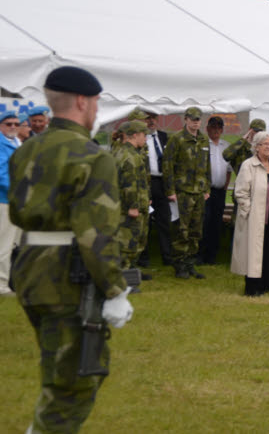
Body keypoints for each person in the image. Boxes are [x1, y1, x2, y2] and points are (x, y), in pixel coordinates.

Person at [10, 66, 133, 434]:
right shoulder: (93, 156)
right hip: (67, 277)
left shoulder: (27, 149)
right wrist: (114, 289)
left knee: (60, 370)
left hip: (30, 270)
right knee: (76, 380)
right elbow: (96, 234)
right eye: (96, 102)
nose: (96, 109)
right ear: (83, 101)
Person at [231, 131, 269, 296]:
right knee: (254, 253)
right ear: (256, 147)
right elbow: (241, 192)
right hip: (254, 217)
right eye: (265, 144)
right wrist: (248, 211)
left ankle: (267, 286)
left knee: (267, 252)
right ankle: (253, 289)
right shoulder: (248, 165)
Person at [163, 107, 211, 279]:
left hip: (199, 191)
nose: (196, 122)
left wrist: (207, 187)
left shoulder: (204, 139)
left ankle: (190, 264)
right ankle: (179, 264)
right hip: (182, 191)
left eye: (198, 119)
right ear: (186, 120)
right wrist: (170, 190)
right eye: (193, 119)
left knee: (196, 230)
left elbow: (207, 165)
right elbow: (167, 166)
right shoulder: (177, 139)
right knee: (181, 230)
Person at [111, 121, 151, 286]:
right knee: (128, 245)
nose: (145, 138)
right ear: (135, 135)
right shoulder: (130, 156)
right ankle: (125, 282)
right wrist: (133, 206)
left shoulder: (123, 152)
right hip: (130, 207)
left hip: (131, 205)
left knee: (132, 243)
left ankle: (131, 275)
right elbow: (130, 184)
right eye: (144, 134)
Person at [139, 109, 173, 268]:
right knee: (145, 221)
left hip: (162, 182)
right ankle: (144, 258)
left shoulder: (164, 136)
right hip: (146, 181)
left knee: (165, 220)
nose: (151, 121)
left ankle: (167, 256)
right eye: (148, 118)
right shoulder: (139, 138)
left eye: (154, 118)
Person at [198, 116, 232, 265]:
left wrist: (225, 187)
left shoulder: (226, 146)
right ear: (207, 128)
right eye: (213, 127)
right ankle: (200, 255)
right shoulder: (203, 145)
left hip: (220, 191)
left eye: (219, 127)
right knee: (204, 222)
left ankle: (213, 256)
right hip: (206, 191)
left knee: (216, 223)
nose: (216, 130)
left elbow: (229, 170)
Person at [0, 111, 22, 297]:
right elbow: (1, 175)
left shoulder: (16, 143)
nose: (13, 126)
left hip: (16, 202)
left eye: (16, 123)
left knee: (17, 244)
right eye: (8, 124)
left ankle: (12, 282)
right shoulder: (1, 144)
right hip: (5, 201)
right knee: (4, 245)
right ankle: (1, 285)